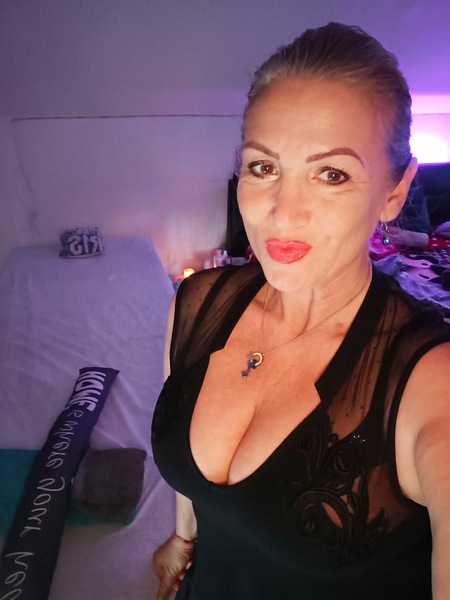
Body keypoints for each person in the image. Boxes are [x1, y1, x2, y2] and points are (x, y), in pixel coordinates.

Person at [151, 22, 450, 599]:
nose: (283, 215)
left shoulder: (430, 385)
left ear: (394, 191)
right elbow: (190, 475)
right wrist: (183, 538)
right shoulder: (195, 304)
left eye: (331, 174)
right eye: (263, 168)